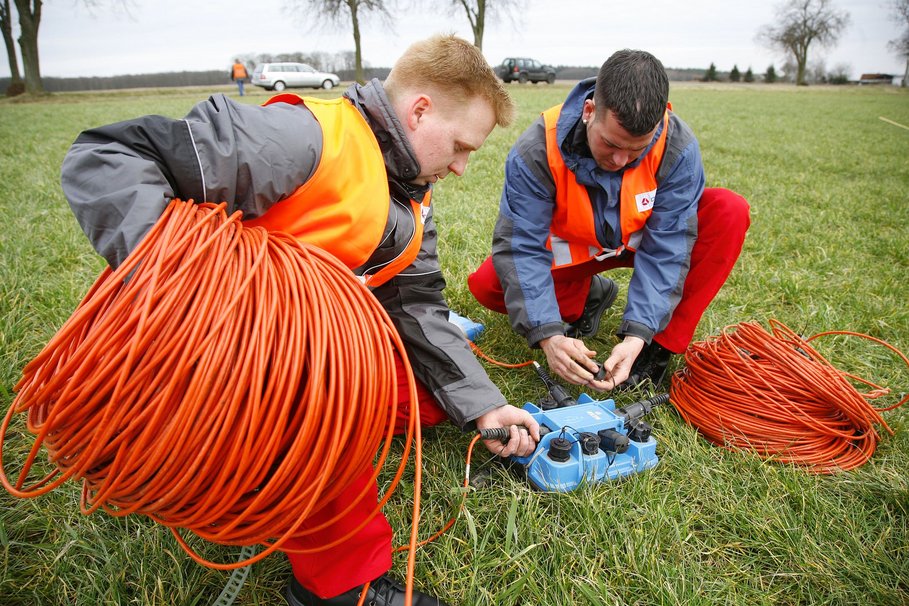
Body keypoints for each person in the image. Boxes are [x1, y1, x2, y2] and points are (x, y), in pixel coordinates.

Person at [61, 34, 540, 606]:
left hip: (306, 348)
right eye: (462, 147)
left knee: (427, 398)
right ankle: (339, 586)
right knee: (336, 399)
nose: (463, 167)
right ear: (419, 111)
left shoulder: (411, 198)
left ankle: (304, 446)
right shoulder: (301, 138)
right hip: (216, 358)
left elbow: (418, 308)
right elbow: (105, 158)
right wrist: (201, 293)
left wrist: (485, 405)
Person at [468, 49, 750, 393]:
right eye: (611, 143)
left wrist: (638, 336)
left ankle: (659, 348)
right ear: (589, 112)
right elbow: (522, 249)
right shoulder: (536, 149)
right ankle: (585, 297)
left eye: (636, 150)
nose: (620, 159)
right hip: (575, 245)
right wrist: (548, 334)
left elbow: (669, 248)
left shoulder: (677, 145)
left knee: (728, 210)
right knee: (489, 285)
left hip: (642, 238)